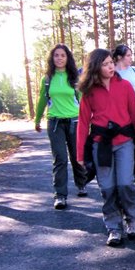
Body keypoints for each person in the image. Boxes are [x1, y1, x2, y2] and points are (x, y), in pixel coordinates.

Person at [76, 48, 135, 247]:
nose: (110, 67)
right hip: (101, 145)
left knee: (125, 184)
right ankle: (113, 228)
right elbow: (83, 123)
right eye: (106, 64)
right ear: (95, 68)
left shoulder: (124, 85)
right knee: (107, 188)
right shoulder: (89, 92)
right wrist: (80, 153)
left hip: (124, 142)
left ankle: (131, 219)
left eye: (111, 63)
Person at [34, 44, 87, 209]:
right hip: (55, 122)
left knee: (76, 156)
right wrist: (37, 119)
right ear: (52, 58)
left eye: (62, 55)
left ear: (67, 58)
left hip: (74, 121)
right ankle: (60, 195)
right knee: (60, 159)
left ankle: (81, 184)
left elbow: (83, 100)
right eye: (56, 55)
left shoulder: (74, 78)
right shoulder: (47, 79)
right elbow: (43, 100)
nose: (59, 58)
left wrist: (88, 121)